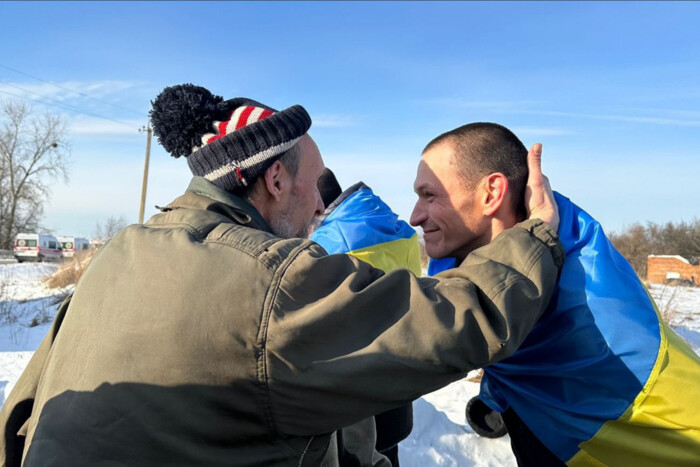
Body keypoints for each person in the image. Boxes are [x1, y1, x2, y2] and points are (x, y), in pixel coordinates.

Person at [0, 85, 563, 467]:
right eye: (317, 186)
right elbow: (459, 322)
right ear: (275, 180)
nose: (323, 207)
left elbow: (21, 416)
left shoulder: (121, 252)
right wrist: (533, 234)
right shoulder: (269, 278)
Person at [419, 122, 700, 466]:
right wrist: (497, 398)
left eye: (429, 195)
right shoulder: (486, 272)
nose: (415, 215)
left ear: (491, 194)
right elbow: (501, 333)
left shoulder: (581, 297)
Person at [310, 168, 420, 466]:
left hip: (362, 392)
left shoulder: (330, 243)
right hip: (402, 373)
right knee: (391, 452)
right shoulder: (392, 226)